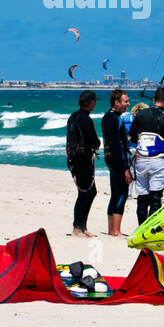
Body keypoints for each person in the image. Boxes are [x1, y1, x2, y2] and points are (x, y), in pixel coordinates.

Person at [127, 86, 164, 224]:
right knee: (156, 198)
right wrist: (163, 146)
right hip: (158, 161)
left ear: (154, 99)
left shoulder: (140, 115)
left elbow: (132, 138)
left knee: (142, 197)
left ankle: (140, 229)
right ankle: (150, 231)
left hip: (141, 161)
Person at [66, 91, 101, 237]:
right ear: (91, 102)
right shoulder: (85, 119)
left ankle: (82, 226)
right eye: (94, 101)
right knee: (86, 192)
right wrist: (97, 144)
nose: (95, 104)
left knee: (87, 192)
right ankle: (77, 227)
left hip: (73, 159)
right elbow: (93, 139)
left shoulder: (73, 116)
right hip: (83, 159)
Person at [101, 88, 132, 236]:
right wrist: (126, 167)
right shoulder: (116, 119)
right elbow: (117, 145)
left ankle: (111, 229)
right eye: (125, 101)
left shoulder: (106, 117)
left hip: (109, 159)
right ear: (116, 102)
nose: (128, 103)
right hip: (117, 160)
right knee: (122, 194)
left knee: (115, 194)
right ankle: (116, 231)